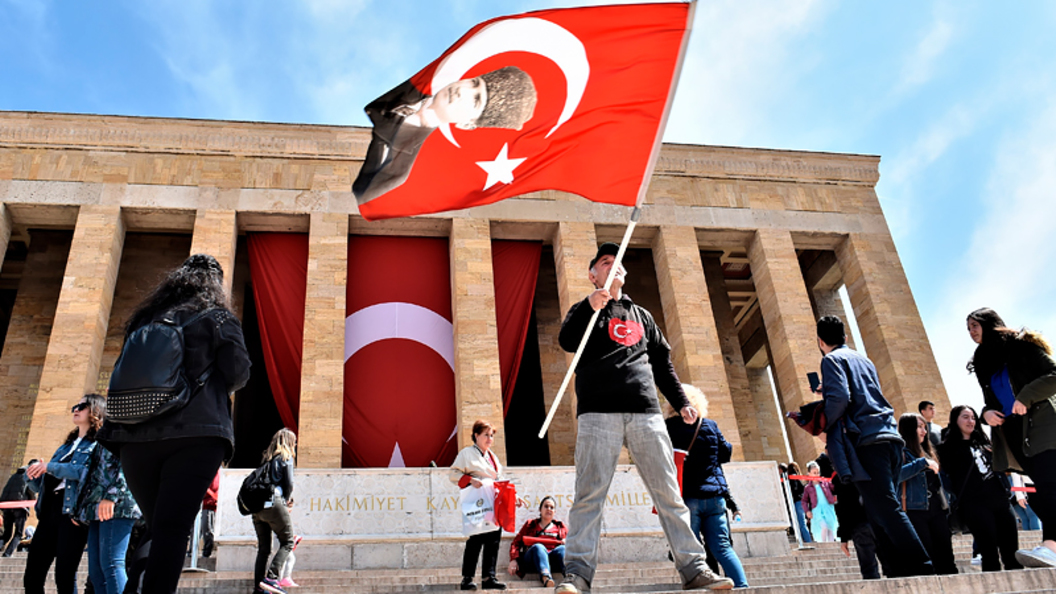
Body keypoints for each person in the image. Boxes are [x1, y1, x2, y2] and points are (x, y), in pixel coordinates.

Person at [554, 242, 733, 593]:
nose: (613, 265)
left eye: (617, 262)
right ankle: (577, 573)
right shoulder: (585, 310)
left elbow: (662, 364)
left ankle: (695, 568)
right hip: (597, 413)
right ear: (593, 274)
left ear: (624, 273)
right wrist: (589, 308)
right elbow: (566, 341)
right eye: (605, 262)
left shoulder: (643, 316)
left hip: (645, 413)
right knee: (589, 495)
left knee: (668, 492)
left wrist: (681, 402)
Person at [96, 253, 252, 594]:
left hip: (135, 437)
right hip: (195, 434)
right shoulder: (217, 317)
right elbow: (238, 373)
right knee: (172, 530)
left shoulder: (143, 319)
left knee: (155, 526)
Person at [816, 315, 934, 577]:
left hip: (867, 442)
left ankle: (923, 566)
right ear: (845, 337)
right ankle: (896, 572)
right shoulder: (864, 360)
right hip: (889, 438)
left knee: (886, 508)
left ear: (821, 341)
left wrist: (823, 420)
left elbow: (842, 398)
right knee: (876, 511)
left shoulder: (831, 360)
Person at [353, 66, 538, 204]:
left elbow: (359, 201)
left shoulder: (398, 170)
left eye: (475, 99)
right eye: (474, 83)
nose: (462, 91)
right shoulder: (409, 87)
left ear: (467, 124)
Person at [966, 308, 1056, 567]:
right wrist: (986, 414)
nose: (971, 332)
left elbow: (1054, 375)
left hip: (1043, 423)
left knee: (1048, 488)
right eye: (968, 328)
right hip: (1014, 433)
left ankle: (1051, 546)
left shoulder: (1021, 346)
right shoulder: (983, 360)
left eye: (975, 325)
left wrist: (1025, 396)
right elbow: (989, 402)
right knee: (1043, 490)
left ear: (989, 324)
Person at [665, 384, 748, 589]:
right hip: (715, 497)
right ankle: (743, 586)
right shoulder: (709, 425)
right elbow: (726, 453)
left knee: (690, 549)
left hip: (689, 497)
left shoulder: (669, 427)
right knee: (723, 548)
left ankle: (700, 584)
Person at [23, 393, 102, 594]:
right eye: (75, 405)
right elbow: (47, 481)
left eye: (82, 406)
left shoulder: (98, 445)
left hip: (73, 514)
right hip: (49, 511)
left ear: (95, 410)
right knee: (32, 575)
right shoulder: (66, 445)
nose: (76, 409)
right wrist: (33, 473)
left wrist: (50, 467)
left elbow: (85, 473)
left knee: (64, 576)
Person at [937, 405, 1021, 571]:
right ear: (955, 420)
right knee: (989, 553)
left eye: (973, 417)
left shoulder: (985, 443)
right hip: (974, 505)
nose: (971, 421)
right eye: (966, 417)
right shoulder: (945, 449)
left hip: (1001, 500)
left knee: (1012, 552)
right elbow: (945, 480)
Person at [75, 402, 142, 594]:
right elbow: (93, 470)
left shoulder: (129, 422)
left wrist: (112, 495)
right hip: (96, 503)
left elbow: (128, 461)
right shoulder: (110, 425)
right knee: (96, 571)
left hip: (117, 502)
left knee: (113, 564)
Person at [450, 419, 518, 591]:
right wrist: (470, 480)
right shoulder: (467, 454)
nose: (489, 438)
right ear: (476, 435)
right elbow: (453, 473)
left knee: (493, 539)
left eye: (491, 435)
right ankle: (467, 578)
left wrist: (514, 496)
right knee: (475, 539)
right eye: (486, 435)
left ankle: (489, 577)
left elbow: (499, 481)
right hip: (477, 501)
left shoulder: (493, 457)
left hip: (493, 502)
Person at [896, 413, 957, 574]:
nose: (924, 431)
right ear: (908, 429)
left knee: (947, 558)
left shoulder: (928, 451)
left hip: (937, 510)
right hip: (915, 510)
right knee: (927, 558)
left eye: (925, 427)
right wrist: (921, 463)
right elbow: (896, 476)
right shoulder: (900, 452)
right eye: (919, 427)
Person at [253, 428, 297, 594]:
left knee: (264, 548)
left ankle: (258, 588)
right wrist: (286, 501)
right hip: (274, 502)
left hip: (257, 507)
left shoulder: (267, 459)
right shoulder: (286, 457)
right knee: (287, 542)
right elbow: (289, 483)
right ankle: (271, 578)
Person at [508, 496, 567, 587]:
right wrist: (513, 559)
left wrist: (567, 542)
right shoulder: (530, 525)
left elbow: (573, 545)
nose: (549, 509)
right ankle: (545, 578)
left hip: (552, 562)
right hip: (533, 561)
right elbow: (516, 543)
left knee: (563, 549)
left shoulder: (560, 527)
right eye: (546, 506)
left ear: (555, 512)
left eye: (552, 507)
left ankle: (569, 576)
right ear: (540, 509)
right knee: (539, 547)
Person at [0, 458, 37, 556]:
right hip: (20, 507)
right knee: (18, 533)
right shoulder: (29, 475)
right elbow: (32, 491)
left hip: (7, 506)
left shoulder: (14, 476)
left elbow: (5, 490)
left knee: (6, 534)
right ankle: (7, 554)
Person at [800, 462, 839, 543]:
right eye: (814, 473)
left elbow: (835, 488)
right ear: (809, 474)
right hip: (817, 510)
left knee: (830, 528)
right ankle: (824, 543)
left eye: (818, 472)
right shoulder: (808, 488)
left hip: (828, 508)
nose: (817, 474)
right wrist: (807, 511)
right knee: (824, 526)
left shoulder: (825, 483)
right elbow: (804, 500)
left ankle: (832, 544)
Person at [783, 462, 812, 544]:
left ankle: (807, 541)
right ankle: (806, 540)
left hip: (797, 502)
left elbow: (794, 489)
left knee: (800, 523)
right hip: (802, 502)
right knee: (801, 523)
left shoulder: (792, 477)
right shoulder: (799, 477)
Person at [200, 470, 220, 558]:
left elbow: (214, 487)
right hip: (199, 504)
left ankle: (207, 552)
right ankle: (190, 551)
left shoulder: (215, 470)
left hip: (209, 504)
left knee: (207, 528)